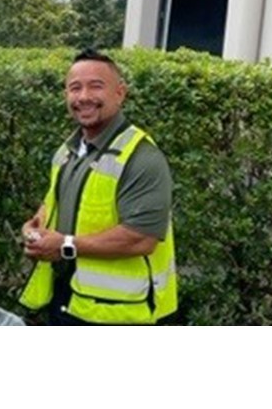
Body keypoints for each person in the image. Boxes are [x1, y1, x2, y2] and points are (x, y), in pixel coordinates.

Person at [18, 48, 178, 325]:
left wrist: (66, 246)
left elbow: (142, 238)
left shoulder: (142, 158)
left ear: (120, 93)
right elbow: (54, 202)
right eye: (74, 88)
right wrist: (34, 227)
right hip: (70, 301)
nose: (83, 97)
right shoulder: (68, 150)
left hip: (122, 314)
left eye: (96, 86)